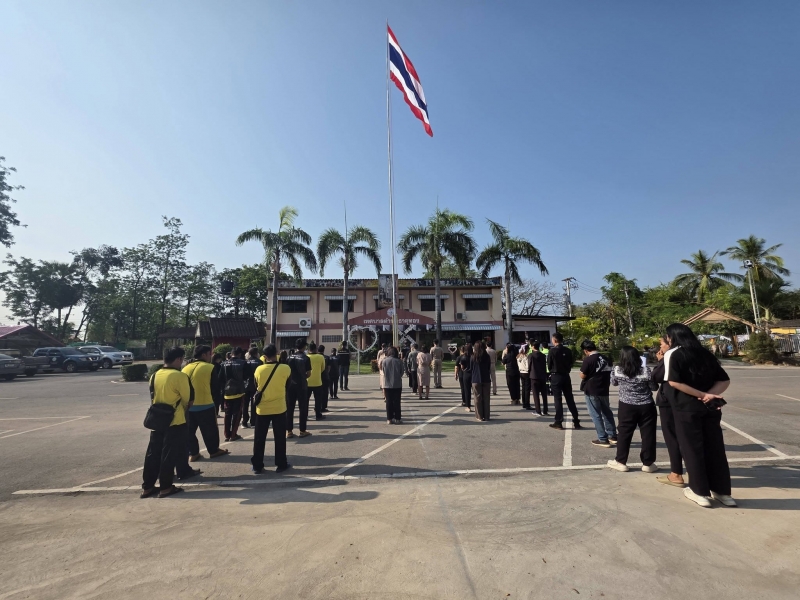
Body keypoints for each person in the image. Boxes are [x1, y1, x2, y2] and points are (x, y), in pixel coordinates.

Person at [665, 323, 734, 508]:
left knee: (692, 449)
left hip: (686, 408)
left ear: (672, 337)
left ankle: (699, 491)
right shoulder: (705, 353)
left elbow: (674, 382)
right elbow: (724, 380)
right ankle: (723, 492)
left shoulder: (676, 354)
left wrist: (701, 395)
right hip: (710, 408)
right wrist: (709, 395)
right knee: (715, 449)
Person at [141, 347, 193, 498]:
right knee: (169, 455)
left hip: (157, 419)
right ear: (178, 359)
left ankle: (147, 487)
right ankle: (166, 487)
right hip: (175, 421)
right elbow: (187, 400)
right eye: (181, 359)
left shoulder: (155, 375)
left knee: (153, 453)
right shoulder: (179, 376)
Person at [606, 346, 658, 473]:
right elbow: (654, 387)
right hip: (646, 405)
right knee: (648, 434)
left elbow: (614, 383)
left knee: (624, 433)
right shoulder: (646, 370)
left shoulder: (617, 369)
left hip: (626, 405)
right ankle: (648, 463)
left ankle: (621, 461)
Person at [183, 345, 230, 462]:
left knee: (189, 432)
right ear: (204, 355)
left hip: (188, 406)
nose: (210, 356)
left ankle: (193, 453)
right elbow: (215, 387)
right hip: (206, 405)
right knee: (210, 431)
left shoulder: (185, 368)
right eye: (209, 354)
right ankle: (213, 451)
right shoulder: (210, 367)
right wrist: (216, 402)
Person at [250, 344, 292, 474]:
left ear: (264, 356)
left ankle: (257, 465)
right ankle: (281, 464)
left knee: (259, 438)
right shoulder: (285, 368)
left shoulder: (258, 369)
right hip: (279, 407)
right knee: (280, 438)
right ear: (277, 353)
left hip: (262, 408)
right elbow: (287, 385)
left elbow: (256, 385)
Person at [652, 336, 685, 487]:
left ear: (670, 343)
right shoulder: (692, 354)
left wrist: (661, 361)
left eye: (662, 344)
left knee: (672, 437)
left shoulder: (670, 357)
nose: (660, 347)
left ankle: (676, 474)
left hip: (669, 401)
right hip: (688, 401)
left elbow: (656, 377)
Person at [579, 340, 616, 447]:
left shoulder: (588, 360)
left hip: (592, 389)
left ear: (586, 350)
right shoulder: (606, 358)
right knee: (607, 413)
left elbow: (582, 375)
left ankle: (602, 438)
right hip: (604, 389)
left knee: (596, 414)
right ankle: (612, 435)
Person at [548, 333, 582, 430]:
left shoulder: (552, 351)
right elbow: (571, 362)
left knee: (557, 399)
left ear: (554, 340)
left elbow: (549, 364)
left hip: (556, 375)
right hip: (566, 375)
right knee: (570, 398)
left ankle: (558, 421)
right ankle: (576, 420)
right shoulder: (568, 350)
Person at [286, 338, 312, 438]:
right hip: (301, 385)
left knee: (290, 408)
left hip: (290, 385)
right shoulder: (306, 358)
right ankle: (302, 430)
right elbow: (308, 374)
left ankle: (289, 431)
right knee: (303, 408)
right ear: (304, 346)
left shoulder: (289, 357)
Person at [221, 347, 248, 441]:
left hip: (227, 392)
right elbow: (246, 376)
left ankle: (227, 434)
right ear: (240, 354)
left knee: (227, 414)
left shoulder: (223, 364)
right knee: (237, 414)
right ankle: (233, 434)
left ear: (231, 353)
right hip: (238, 392)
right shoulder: (243, 363)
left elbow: (220, 378)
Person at [381, 347, 405, 424]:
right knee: (397, 401)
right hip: (397, 384)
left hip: (387, 384)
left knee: (389, 402)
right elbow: (402, 372)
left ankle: (389, 419)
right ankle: (397, 418)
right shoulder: (399, 361)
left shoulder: (384, 361)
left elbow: (383, 371)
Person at [241, 347, 262, 429]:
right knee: (254, 403)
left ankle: (244, 421)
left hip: (246, 384)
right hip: (255, 384)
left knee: (245, 404)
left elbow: (243, 374)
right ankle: (253, 421)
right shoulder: (259, 362)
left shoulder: (245, 362)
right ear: (257, 353)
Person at [471, 341, 492, 421]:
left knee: (477, 398)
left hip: (476, 379)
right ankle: (486, 416)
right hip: (486, 378)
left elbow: (471, 368)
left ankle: (479, 416)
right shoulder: (487, 356)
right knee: (486, 398)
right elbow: (488, 367)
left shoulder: (473, 357)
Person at [306, 341, 327, 421]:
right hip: (317, 382)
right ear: (316, 349)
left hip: (307, 382)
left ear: (308, 349)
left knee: (306, 400)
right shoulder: (320, 357)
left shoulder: (306, 357)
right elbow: (323, 368)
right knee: (318, 400)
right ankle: (318, 414)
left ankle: (305, 415)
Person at [528, 342, 548, 415]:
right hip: (542, 375)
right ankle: (545, 410)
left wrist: (529, 373)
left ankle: (538, 410)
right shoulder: (542, 355)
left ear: (533, 346)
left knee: (536, 394)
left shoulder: (531, 355)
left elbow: (529, 365)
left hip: (534, 375)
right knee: (544, 394)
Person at [456, 344, 474, 411]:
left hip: (466, 374)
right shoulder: (474, 356)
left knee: (467, 390)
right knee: (475, 390)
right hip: (473, 374)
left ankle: (468, 406)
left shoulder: (463, 357)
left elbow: (462, 367)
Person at [517, 342, 532, 409]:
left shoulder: (518, 356)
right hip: (526, 372)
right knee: (527, 389)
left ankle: (524, 403)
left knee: (523, 388)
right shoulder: (526, 357)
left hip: (521, 372)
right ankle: (527, 404)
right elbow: (528, 366)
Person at [211, 352, 225, 418]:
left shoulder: (210, 365)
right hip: (217, 385)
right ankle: (216, 413)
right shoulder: (219, 366)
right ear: (218, 359)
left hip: (210, 385)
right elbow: (221, 376)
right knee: (216, 401)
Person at [319, 344, 331, 412]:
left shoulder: (315, 357)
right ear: (324, 350)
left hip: (317, 377)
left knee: (318, 393)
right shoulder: (327, 357)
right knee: (325, 393)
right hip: (325, 376)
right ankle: (323, 407)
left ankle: (317, 406)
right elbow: (329, 367)